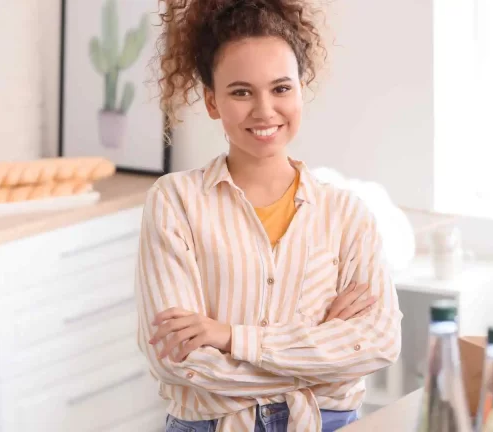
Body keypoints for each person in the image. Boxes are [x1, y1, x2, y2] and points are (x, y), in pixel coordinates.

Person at [134, 1, 403, 431]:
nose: (264, 110)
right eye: (241, 92)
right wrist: (320, 348)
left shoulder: (347, 214)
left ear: (300, 89)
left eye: (281, 88)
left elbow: (378, 343)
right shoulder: (175, 202)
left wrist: (228, 336)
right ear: (212, 101)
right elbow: (178, 362)